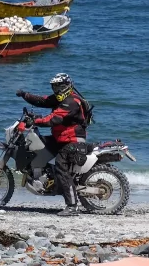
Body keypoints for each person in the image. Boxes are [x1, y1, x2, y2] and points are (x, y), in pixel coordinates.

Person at [15, 73, 88, 216]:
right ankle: (47, 178)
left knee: (61, 166)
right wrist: (24, 94)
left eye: (58, 87)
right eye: (54, 87)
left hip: (73, 141)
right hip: (61, 138)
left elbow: (54, 119)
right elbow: (42, 100)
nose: (56, 90)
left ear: (66, 86)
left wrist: (35, 121)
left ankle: (72, 207)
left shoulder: (71, 102)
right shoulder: (61, 98)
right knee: (39, 146)